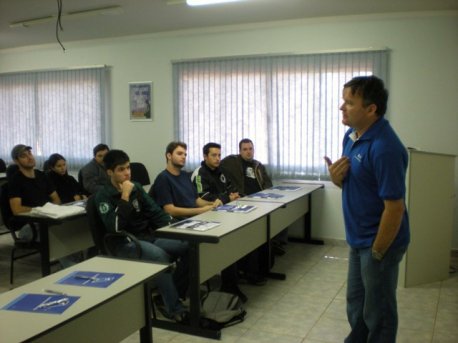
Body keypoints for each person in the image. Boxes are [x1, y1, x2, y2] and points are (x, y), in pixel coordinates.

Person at [324, 75, 410, 343]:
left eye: (349, 103)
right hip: (359, 238)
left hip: (379, 242)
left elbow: (394, 208)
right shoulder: (351, 136)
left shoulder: (385, 147)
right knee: (356, 304)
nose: (342, 108)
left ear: (371, 109)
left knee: (379, 312)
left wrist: (377, 252)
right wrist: (336, 179)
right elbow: (354, 183)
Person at [94, 149, 189, 322]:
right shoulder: (102, 196)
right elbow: (115, 227)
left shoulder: (136, 187)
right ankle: (175, 308)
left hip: (148, 237)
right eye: (121, 169)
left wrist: (176, 227)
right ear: (110, 172)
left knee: (190, 245)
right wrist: (125, 196)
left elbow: (155, 212)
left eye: (128, 168)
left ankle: (169, 293)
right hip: (124, 243)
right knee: (160, 257)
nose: (127, 173)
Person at [190, 142, 247, 302]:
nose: (217, 159)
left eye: (219, 155)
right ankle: (229, 284)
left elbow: (233, 190)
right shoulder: (200, 173)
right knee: (230, 242)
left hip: (224, 213)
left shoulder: (222, 171)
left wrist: (226, 198)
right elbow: (204, 198)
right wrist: (225, 198)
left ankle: (238, 276)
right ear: (205, 156)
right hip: (205, 216)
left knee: (240, 235)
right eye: (214, 155)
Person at [150, 141, 221, 219]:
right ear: (169, 156)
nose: (184, 157)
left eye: (185, 154)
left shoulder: (185, 175)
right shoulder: (163, 178)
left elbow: (197, 201)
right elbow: (170, 210)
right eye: (179, 154)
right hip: (178, 221)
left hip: (194, 217)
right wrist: (201, 210)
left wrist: (213, 204)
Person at [8, 144, 61, 240]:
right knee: (58, 237)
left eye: (30, 153)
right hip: (29, 224)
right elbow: (17, 209)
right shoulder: (15, 181)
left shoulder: (42, 176)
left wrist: (49, 212)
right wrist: (40, 211)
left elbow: (56, 200)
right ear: (16, 161)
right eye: (24, 156)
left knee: (72, 229)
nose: (29, 157)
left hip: (47, 218)